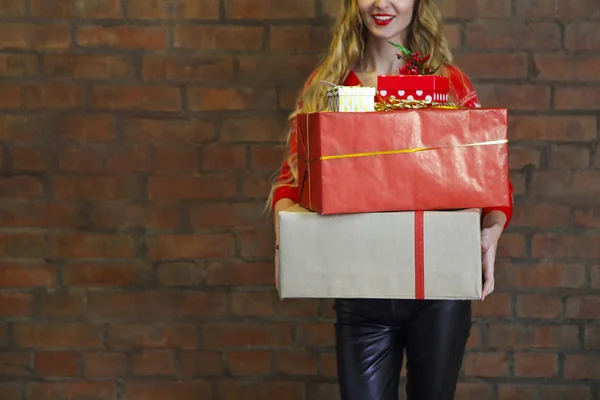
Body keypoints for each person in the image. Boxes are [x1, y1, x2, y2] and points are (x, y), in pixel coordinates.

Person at [267, 0, 514, 399]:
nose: (382, 3)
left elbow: (489, 177)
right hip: (361, 292)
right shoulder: (329, 87)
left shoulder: (446, 85)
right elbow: (292, 182)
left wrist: (492, 230)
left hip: (438, 291)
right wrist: (286, 235)